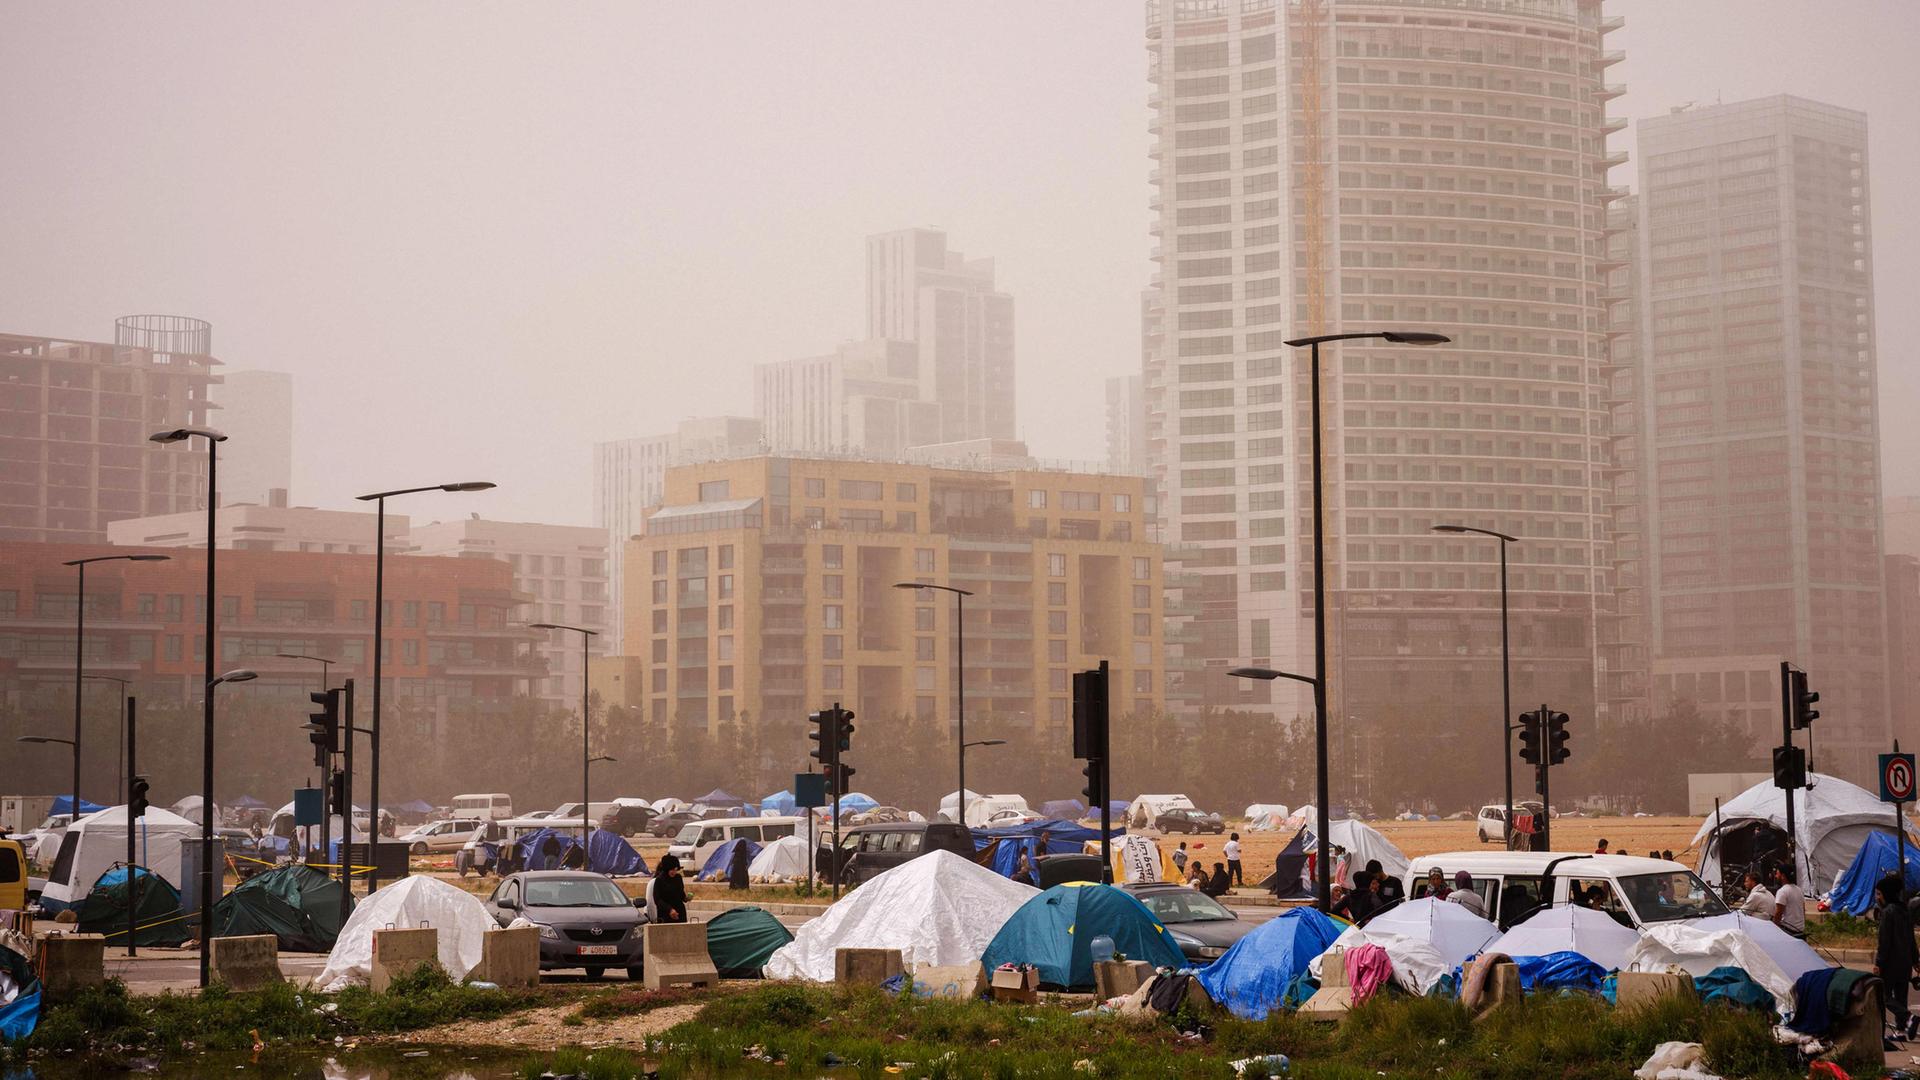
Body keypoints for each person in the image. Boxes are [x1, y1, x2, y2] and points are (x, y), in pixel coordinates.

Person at [1877, 875, 1918, 1040]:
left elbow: (1884, 941)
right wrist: (1916, 960)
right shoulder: (1904, 910)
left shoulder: (1888, 913)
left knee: (1883, 995)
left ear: (1887, 894)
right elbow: (1911, 938)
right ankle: (1901, 1031)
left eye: (1879, 894)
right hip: (1905, 962)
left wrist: (1879, 963)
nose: (1877, 898)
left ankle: (1908, 1018)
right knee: (1901, 996)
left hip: (1890, 962)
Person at [1769, 863, 1806, 938]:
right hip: (1800, 929)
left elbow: (1778, 913)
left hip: (1788, 930)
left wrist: (1773, 929)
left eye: (1777, 874)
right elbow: (1803, 909)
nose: (1776, 876)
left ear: (1783, 876)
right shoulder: (1799, 890)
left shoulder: (1782, 891)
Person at [652, 852, 688, 923]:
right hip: (665, 914)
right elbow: (657, 900)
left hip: (679, 912)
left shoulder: (678, 878)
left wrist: (686, 898)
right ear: (666, 869)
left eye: (676, 869)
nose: (674, 872)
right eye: (672, 870)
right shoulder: (659, 880)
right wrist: (670, 909)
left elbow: (681, 894)